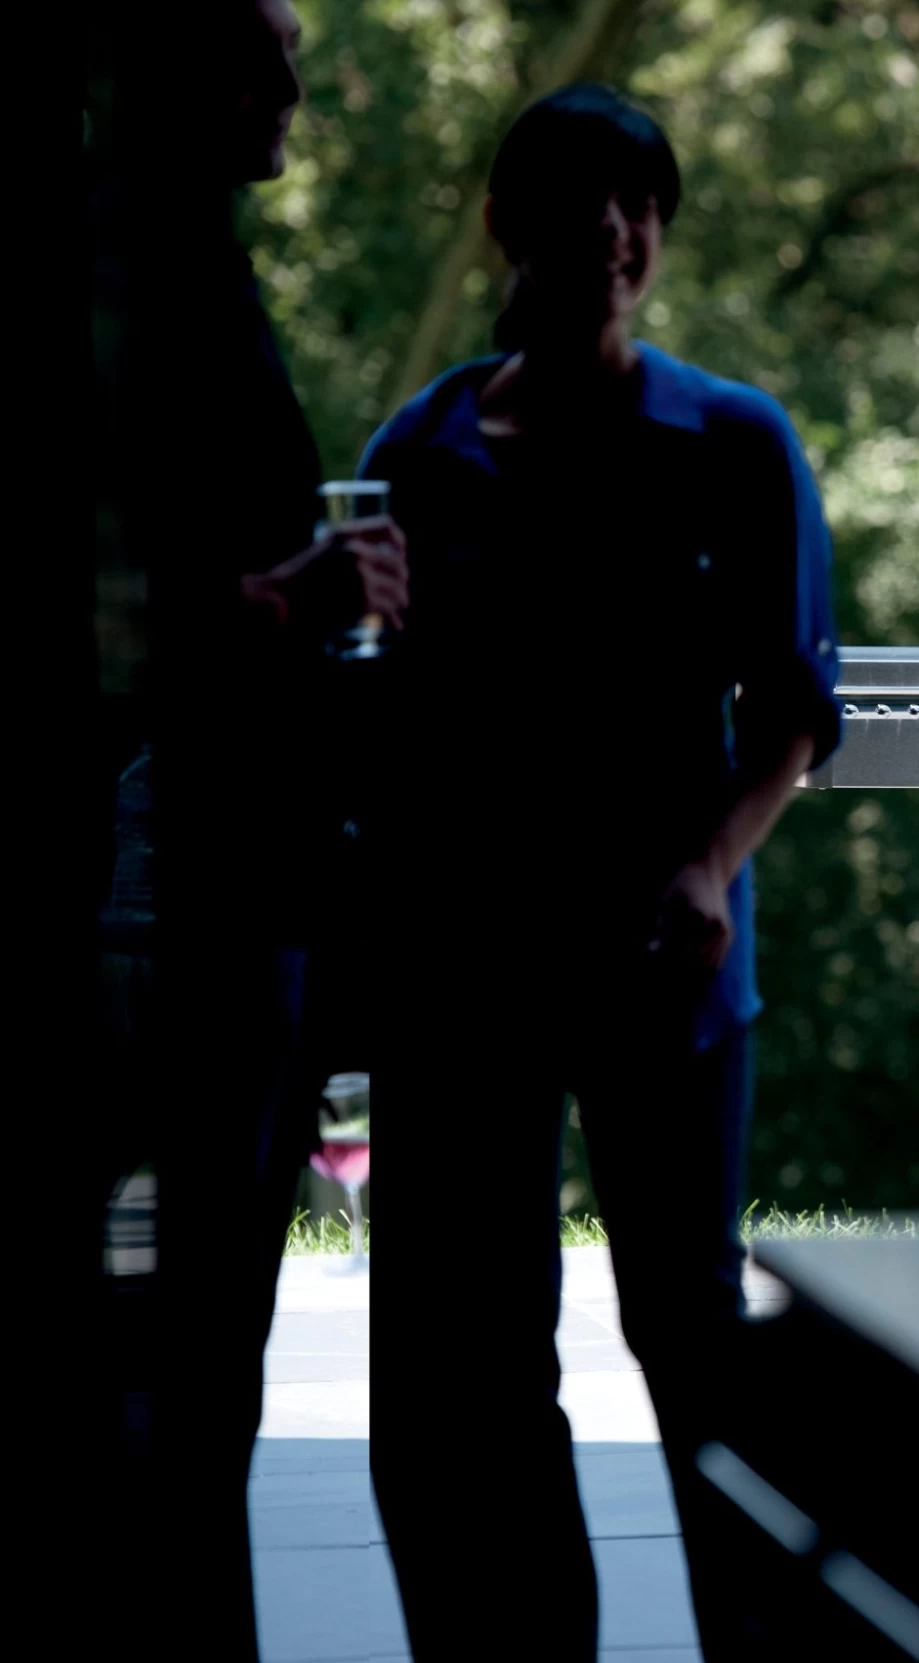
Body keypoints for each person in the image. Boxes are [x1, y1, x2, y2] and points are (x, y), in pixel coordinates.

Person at [359, 84, 842, 1658]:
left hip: (664, 964)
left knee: (692, 1336)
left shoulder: (734, 441)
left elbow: (793, 710)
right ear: (508, 223)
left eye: (642, 205)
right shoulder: (422, 452)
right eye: (582, 201)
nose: (617, 233)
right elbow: (378, 712)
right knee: (475, 1359)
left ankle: (758, 1643)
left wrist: (711, 864)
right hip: (466, 971)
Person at [93, 2, 410, 1649]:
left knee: (211, 1357)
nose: (294, 82)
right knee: (182, 1350)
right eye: (264, 50)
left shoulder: (194, 272)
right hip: (178, 904)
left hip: (240, 888)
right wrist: (291, 596)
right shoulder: (135, 285)